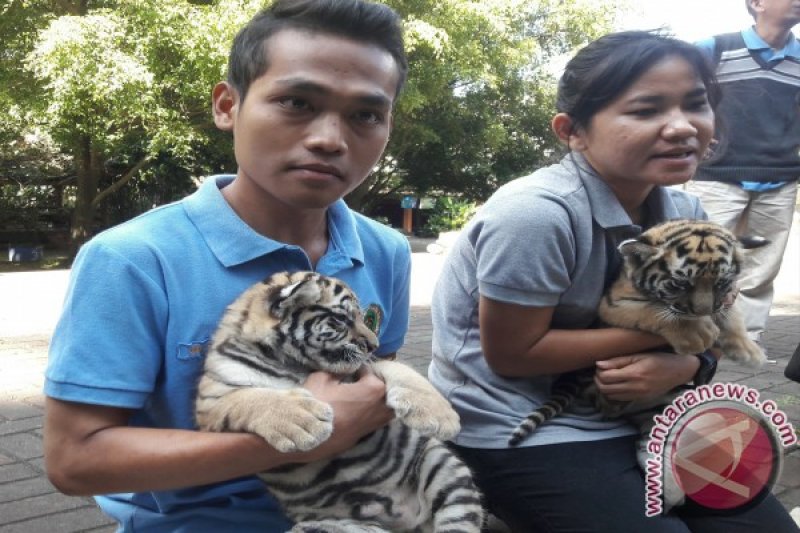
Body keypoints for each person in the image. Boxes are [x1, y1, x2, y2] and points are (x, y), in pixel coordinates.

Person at [43, 1, 410, 531]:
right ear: (226, 106)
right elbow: (74, 460)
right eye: (297, 102)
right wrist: (297, 436)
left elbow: (369, 393)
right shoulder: (134, 260)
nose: (331, 138)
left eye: (366, 115)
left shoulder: (384, 251)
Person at [428, 31, 798, 532]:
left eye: (697, 103)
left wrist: (688, 364)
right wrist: (671, 336)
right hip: (516, 426)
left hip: (642, 414)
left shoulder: (685, 211)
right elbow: (513, 355)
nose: (682, 126)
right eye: (646, 110)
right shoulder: (535, 215)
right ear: (571, 131)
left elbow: (711, 321)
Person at [686, 0, 800, 348]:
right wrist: (693, 135)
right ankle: (688, 336)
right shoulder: (714, 49)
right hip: (717, 175)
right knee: (699, 262)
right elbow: (676, 92)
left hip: (780, 178)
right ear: (757, 3)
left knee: (760, 270)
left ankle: (743, 342)